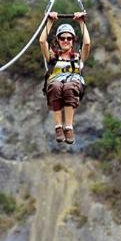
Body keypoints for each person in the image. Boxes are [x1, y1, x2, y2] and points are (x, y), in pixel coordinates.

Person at [40, 11, 91, 144]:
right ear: (58, 40)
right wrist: (50, 22)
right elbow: (42, 41)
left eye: (69, 38)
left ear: (73, 41)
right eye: (62, 38)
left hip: (72, 86)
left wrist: (81, 22)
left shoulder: (78, 57)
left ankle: (68, 127)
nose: (66, 41)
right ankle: (58, 126)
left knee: (69, 87)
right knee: (56, 86)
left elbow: (87, 44)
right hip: (56, 85)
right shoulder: (53, 57)